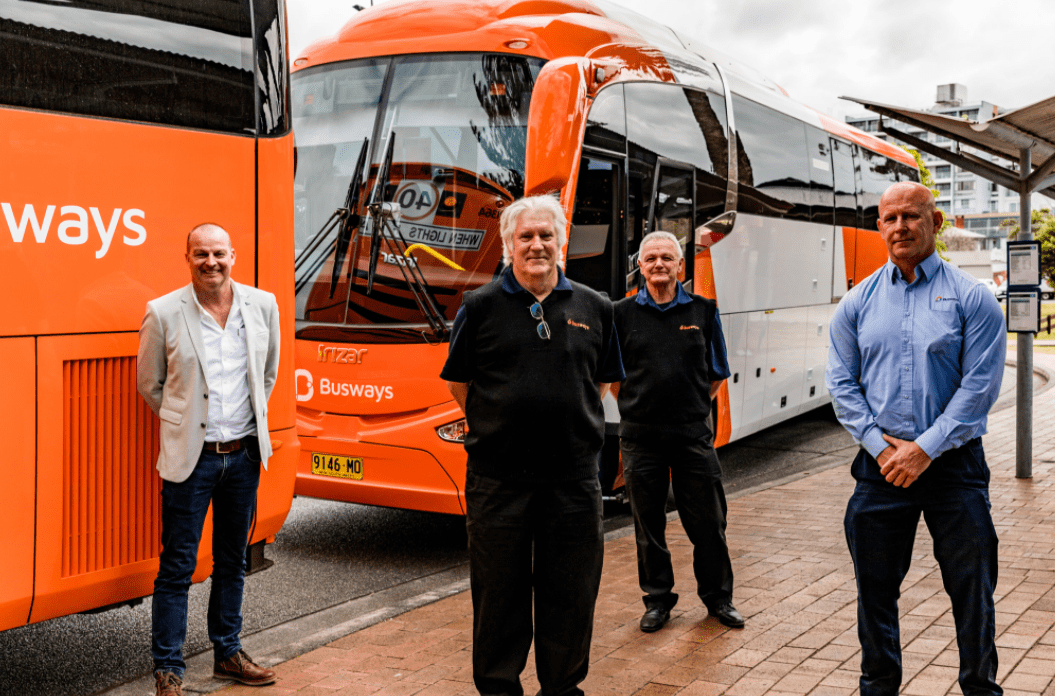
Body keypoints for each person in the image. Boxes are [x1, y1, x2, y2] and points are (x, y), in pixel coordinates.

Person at [826, 182, 1005, 696]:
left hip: (954, 468)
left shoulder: (973, 298)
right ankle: (879, 688)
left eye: (911, 216)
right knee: (874, 593)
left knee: (973, 589)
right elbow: (842, 384)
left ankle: (979, 688)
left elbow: (980, 388)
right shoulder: (857, 302)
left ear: (936, 222)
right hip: (881, 468)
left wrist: (924, 448)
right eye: (889, 218)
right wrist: (885, 450)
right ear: (879, 225)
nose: (899, 226)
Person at [441, 194, 624, 696]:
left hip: (574, 481)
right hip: (498, 483)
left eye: (547, 235)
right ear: (508, 245)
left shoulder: (596, 307)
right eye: (526, 236)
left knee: (571, 593)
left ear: (562, 242)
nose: (537, 245)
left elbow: (602, 383)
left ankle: (562, 689)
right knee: (500, 596)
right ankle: (499, 689)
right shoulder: (478, 308)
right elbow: (459, 385)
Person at [137, 223, 281, 696]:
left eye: (219, 253)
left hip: (242, 455)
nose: (211, 262)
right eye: (201, 254)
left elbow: (268, 372)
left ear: (233, 256)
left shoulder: (262, 306)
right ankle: (168, 669)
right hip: (191, 460)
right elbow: (150, 385)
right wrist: (185, 423)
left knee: (232, 561)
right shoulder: (162, 312)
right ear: (188, 257)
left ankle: (228, 653)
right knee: (177, 566)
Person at [611, 231, 742, 633]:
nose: (658, 265)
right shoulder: (621, 313)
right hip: (640, 438)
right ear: (641, 266)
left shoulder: (703, 311)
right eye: (650, 259)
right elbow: (614, 377)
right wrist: (640, 404)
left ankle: (719, 598)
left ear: (680, 266)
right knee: (648, 525)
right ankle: (657, 601)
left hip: (692, 437)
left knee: (708, 522)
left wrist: (689, 407)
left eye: (667, 257)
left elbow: (716, 373)